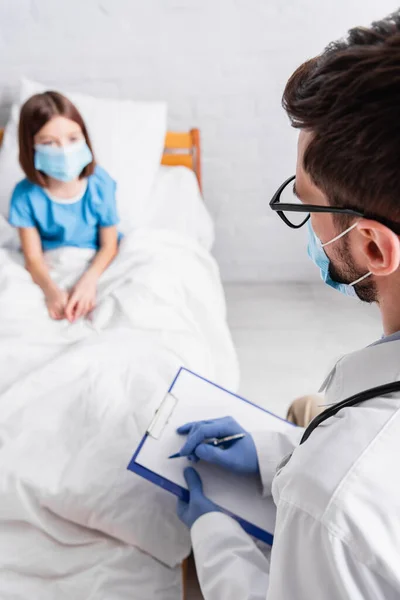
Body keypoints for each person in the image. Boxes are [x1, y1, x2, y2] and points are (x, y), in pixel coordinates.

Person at [175, 11, 400, 600]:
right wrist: (279, 454)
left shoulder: (332, 501)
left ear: (375, 245)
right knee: (305, 409)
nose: (304, 225)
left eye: (305, 206)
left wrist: (213, 532)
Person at [8, 91, 120, 322]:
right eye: (49, 143)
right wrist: (51, 292)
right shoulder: (24, 196)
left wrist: (88, 282)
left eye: (72, 138)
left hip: (95, 263)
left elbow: (109, 245)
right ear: (31, 147)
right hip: (52, 265)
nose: (64, 150)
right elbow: (34, 259)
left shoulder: (100, 184)